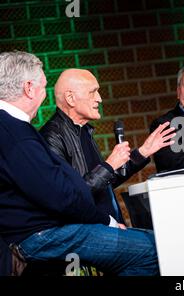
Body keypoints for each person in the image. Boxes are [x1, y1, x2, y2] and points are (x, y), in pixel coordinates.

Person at [0, 51, 159, 275]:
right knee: (155, 248)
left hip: (44, 232)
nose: (100, 99)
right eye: (43, 86)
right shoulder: (18, 134)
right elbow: (64, 197)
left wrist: (139, 154)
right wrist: (107, 222)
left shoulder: (16, 130)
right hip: (42, 235)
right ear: (28, 88)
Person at [40, 69, 175, 225]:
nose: (100, 99)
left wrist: (142, 152)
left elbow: (103, 183)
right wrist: (109, 165)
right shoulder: (52, 137)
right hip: (91, 230)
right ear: (70, 98)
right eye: (93, 92)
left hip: (109, 225)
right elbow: (70, 197)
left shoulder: (84, 130)